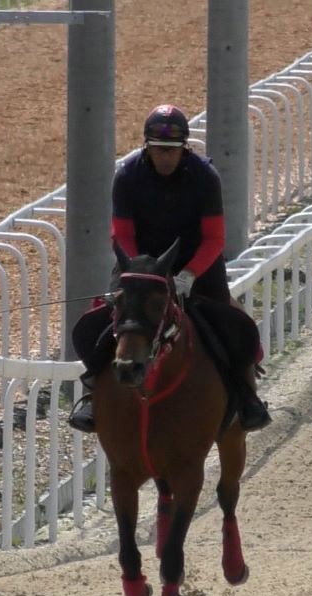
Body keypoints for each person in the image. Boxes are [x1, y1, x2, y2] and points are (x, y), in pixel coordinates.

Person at [68, 104, 271, 434]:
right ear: (147, 147)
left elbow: (215, 238)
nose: (166, 158)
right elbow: (121, 233)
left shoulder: (205, 177)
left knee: (235, 325)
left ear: (185, 149)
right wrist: (141, 270)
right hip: (138, 264)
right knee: (98, 321)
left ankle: (247, 397)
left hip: (197, 264)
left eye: (172, 151)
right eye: (160, 150)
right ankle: (93, 393)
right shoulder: (128, 175)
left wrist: (188, 275)